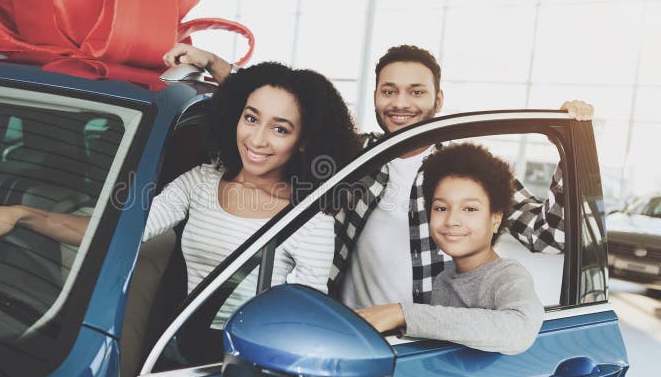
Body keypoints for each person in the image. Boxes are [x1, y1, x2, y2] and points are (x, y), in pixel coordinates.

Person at [162, 43, 593, 308]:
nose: (400, 103)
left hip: (424, 343)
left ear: (438, 99)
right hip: (342, 330)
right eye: (389, 91)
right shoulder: (355, 155)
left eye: (416, 91)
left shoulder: (470, 169)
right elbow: (282, 105)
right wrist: (212, 62)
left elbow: (549, 237)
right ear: (375, 96)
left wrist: (566, 147)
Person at [0, 62, 361, 294]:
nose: (258, 138)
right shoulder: (200, 182)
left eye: (280, 128)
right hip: (180, 356)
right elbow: (117, 231)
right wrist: (20, 213)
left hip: (253, 371)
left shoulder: (310, 219)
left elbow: (300, 319)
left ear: (305, 142)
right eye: (251, 118)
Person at [355, 143, 544, 355]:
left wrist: (402, 313)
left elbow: (519, 330)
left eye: (470, 209)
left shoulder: (506, 275)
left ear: (495, 220)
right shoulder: (444, 279)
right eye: (441, 208)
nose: (452, 219)